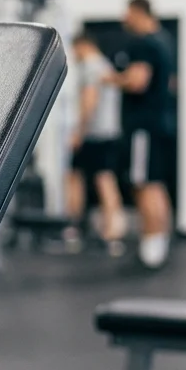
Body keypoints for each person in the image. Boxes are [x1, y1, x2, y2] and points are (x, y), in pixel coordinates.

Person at [109, 0, 177, 269]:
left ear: (139, 12)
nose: (124, 20)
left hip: (143, 127)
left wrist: (110, 77)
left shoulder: (143, 43)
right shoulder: (164, 41)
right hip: (160, 124)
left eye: (128, 13)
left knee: (143, 185)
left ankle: (150, 248)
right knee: (156, 184)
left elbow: (137, 82)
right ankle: (159, 243)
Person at [64, 32, 126, 257]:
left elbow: (90, 100)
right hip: (108, 133)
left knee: (82, 179)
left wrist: (79, 132)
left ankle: (74, 230)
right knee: (98, 178)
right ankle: (112, 234)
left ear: (83, 46)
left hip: (93, 134)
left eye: (75, 50)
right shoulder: (105, 65)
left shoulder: (90, 67)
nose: (74, 54)